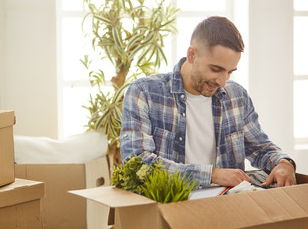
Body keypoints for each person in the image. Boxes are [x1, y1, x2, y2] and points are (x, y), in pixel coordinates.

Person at [120, 16, 296, 188]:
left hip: (227, 209)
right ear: (191, 54)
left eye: (229, 72)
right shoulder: (145, 93)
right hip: (170, 208)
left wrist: (283, 163)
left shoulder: (236, 96)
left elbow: (260, 148)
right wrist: (212, 175)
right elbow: (138, 165)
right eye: (216, 69)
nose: (222, 82)